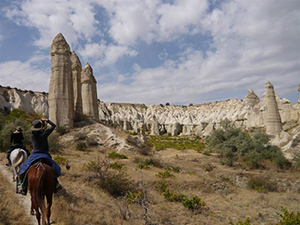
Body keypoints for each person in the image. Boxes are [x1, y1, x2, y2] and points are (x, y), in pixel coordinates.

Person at [19, 118, 62, 195]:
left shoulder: (31, 135)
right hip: (45, 154)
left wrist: (40, 124)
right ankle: (56, 183)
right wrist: (46, 120)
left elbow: (37, 131)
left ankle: (23, 186)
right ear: (41, 128)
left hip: (35, 155)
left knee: (24, 168)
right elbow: (53, 126)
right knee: (53, 167)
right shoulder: (44, 134)